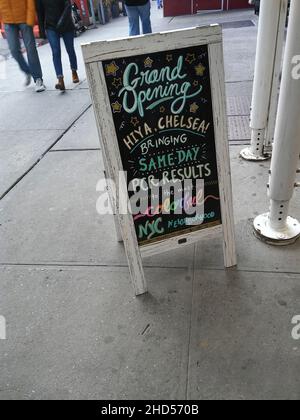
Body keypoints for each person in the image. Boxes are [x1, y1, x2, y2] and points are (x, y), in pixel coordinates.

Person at [0, 0, 45, 92]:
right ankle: (27, 70)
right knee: (14, 50)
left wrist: (30, 19)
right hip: (8, 21)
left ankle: (38, 79)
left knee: (31, 49)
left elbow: (30, 2)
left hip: (24, 20)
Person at [36, 0, 79, 91]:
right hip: (51, 26)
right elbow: (40, 12)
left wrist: (61, 21)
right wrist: (41, 32)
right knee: (56, 52)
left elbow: (67, 6)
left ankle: (74, 71)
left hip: (66, 23)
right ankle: (60, 80)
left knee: (70, 49)